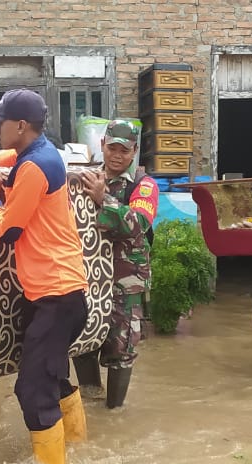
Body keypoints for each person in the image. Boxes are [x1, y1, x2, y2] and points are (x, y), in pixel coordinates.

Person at [0, 89, 88, 464]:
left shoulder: (34, 167)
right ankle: (77, 453)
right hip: (61, 294)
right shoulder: (40, 154)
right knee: (53, 378)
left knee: (33, 390)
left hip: (56, 295)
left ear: (20, 126)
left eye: (0, 122)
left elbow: (9, 230)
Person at [73, 120, 158, 409]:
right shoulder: (85, 178)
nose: (117, 155)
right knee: (81, 340)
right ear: (102, 145)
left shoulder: (144, 186)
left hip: (126, 281)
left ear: (134, 151)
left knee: (122, 345)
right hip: (87, 277)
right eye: (112, 148)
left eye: (124, 150)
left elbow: (138, 224)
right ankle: (90, 405)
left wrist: (103, 198)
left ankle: (114, 413)